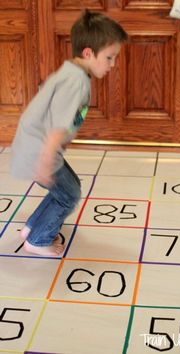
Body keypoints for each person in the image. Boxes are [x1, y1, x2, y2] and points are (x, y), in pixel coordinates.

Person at [10, 9, 128, 256]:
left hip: (34, 146)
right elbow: (57, 127)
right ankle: (39, 240)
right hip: (40, 150)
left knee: (66, 188)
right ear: (88, 53)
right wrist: (45, 160)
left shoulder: (70, 71)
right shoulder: (77, 81)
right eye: (109, 57)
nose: (113, 64)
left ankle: (32, 228)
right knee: (69, 195)